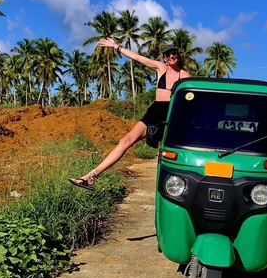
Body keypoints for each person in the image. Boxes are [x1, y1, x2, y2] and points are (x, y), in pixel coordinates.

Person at [69, 39, 190, 190]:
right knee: (125, 141)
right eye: (168, 54)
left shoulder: (186, 77)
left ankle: (179, 188)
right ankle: (91, 176)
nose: (171, 56)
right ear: (164, 58)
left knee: (170, 152)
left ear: (178, 55)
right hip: (155, 112)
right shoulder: (161, 68)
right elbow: (138, 58)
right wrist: (116, 47)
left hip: (172, 115)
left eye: (174, 53)